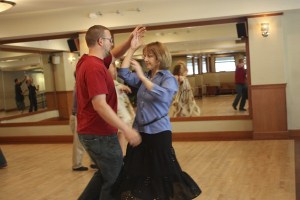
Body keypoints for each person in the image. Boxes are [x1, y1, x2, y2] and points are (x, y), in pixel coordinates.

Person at [113, 37, 201, 199]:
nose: (145, 59)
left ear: (160, 58)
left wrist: (141, 76)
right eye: (145, 55)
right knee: (135, 171)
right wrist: (131, 49)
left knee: (162, 174)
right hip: (139, 133)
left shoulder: (168, 78)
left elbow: (164, 96)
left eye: (150, 56)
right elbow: (124, 73)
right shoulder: (145, 76)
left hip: (159, 133)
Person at [76, 25, 144, 200]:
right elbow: (100, 105)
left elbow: (114, 53)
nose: (112, 43)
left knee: (106, 175)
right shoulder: (93, 67)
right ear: (100, 41)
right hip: (99, 134)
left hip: (95, 132)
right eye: (109, 40)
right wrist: (126, 129)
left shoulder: (90, 61)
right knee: (115, 181)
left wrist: (130, 41)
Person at [108, 63, 135, 156]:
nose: (115, 70)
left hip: (121, 125)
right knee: (119, 149)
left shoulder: (116, 84)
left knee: (121, 147)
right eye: (112, 67)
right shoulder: (111, 86)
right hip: (117, 125)